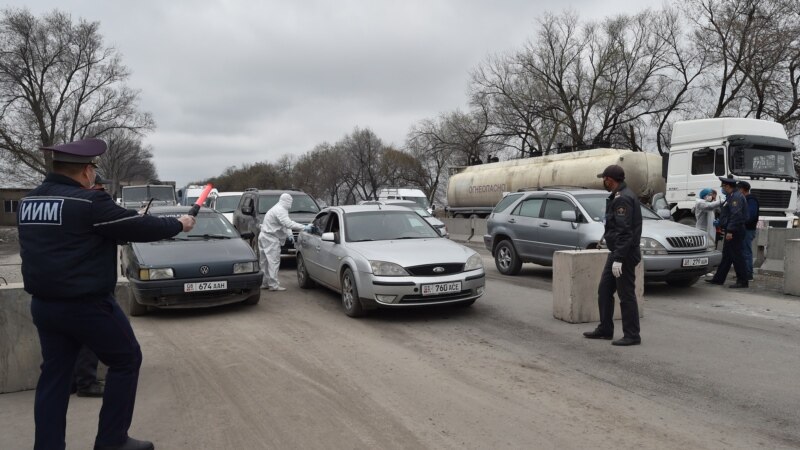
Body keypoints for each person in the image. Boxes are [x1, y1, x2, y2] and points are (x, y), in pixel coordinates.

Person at [18, 138, 196, 450]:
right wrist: (179, 223)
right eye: (93, 170)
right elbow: (138, 227)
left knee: (55, 377)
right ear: (86, 171)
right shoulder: (89, 203)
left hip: (44, 307)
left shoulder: (29, 202)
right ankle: (112, 441)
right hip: (87, 307)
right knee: (126, 359)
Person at [583, 165, 643, 346]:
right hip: (617, 252)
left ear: (609, 179)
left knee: (626, 295)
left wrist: (618, 259)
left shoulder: (622, 199)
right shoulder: (618, 195)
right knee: (604, 290)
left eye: (604, 179)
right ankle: (605, 329)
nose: (603, 182)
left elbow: (625, 232)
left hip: (623, 254)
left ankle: (632, 335)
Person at [70, 173, 116, 399]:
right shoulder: (94, 206)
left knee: (65, 343)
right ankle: (86, 382)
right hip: (89, 287)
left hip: (62, 288)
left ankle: (72, 381)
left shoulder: (70, 206)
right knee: (90, 340)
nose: (103, 190)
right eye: (99, 185)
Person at [706, 176, 749, 288]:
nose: (722, 188)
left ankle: (743, 281)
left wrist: (730, 231)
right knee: (727, 256)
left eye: (723, 186)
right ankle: (718, 279)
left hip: (735, 231)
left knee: (737, 256)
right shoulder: (731, 196)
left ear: (728, 186)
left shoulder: (736, 197)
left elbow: (736, 215)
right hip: (732, 229)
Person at [258, 193, 306, 291]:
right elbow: (287, 223)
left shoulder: (277, 208)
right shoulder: (281, 210)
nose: (291, 204)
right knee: (273, 262)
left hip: (264, 236)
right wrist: (304, 227)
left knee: (264, 262)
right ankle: (273, 285)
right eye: (290, 202)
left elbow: (283, 224)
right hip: (270, 239)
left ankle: (265, 283)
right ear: (287, 201)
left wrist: (289, 234)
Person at [738, 181, 760, 281]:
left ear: (742, 189)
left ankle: (748, 274)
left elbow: (750, 215)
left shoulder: (751, 199)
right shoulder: (745, 199)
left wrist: (741, 221)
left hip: (748, 229)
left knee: (746, 252)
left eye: (738, 188)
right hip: (744, 229)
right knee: (742, 252)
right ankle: (743, 273)